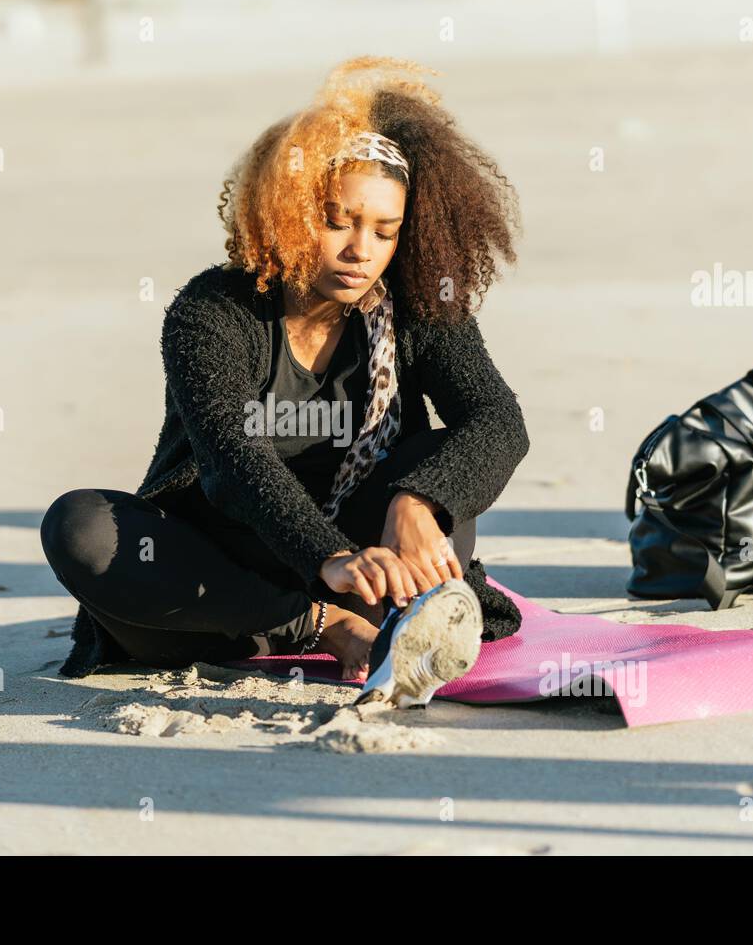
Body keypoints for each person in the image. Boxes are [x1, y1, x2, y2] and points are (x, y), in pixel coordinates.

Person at [40, 56, 530, 698]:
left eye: (385, 232)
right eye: (338, 222)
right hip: (222, 588)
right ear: (289, 211)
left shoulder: (415, 304)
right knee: (80, 526)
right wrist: (326, 563)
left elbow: (498, 421)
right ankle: (335, 630)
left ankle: (404, 616)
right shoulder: (213, 310)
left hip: (371, 568)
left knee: (441, 457)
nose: (362, 251)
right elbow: (231, 460)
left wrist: (416, 502)